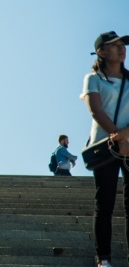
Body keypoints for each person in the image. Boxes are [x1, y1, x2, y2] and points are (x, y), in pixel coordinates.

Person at [81, 31, 129, 267]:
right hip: (105, 147)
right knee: (105, 203)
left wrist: (126, 136)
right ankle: (104, 258)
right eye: (115, 45)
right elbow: (96, 110)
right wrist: (117, 136)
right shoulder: (94, 78)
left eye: (123, 45)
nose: (122, 49)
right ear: (101, 52)